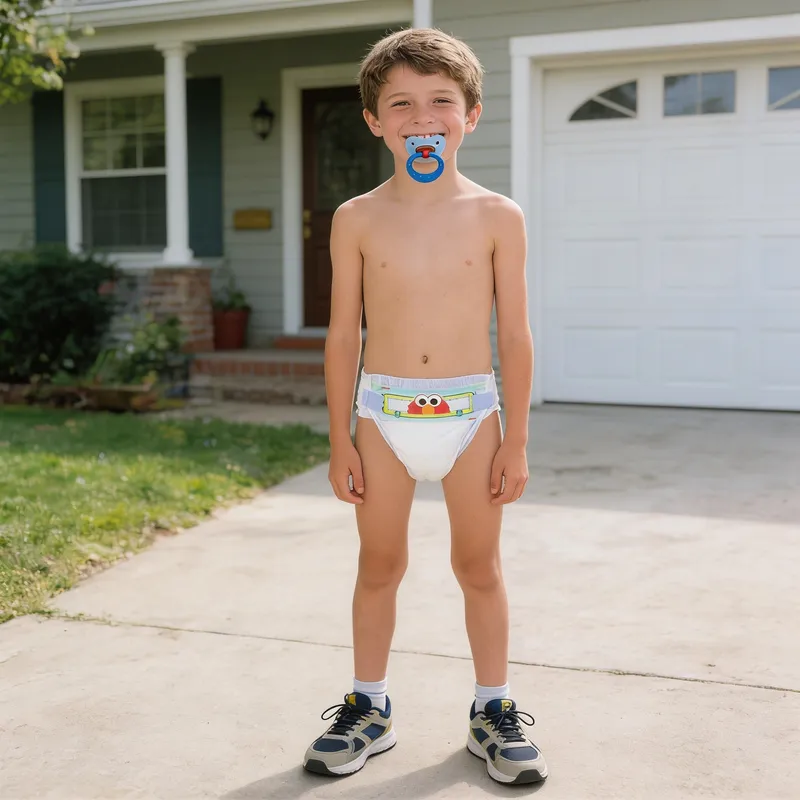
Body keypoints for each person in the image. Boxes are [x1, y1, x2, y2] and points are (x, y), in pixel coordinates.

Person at [302, 27, 548, 786]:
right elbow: (344, 334)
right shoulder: (357, 218)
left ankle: (492, 710)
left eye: (441, 100)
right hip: (383, 416)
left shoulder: (498, 215)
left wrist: (516, 439)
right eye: (400, 103)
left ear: (470, 114)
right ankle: (368, 707)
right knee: (380, 563)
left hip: (473, 416)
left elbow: (515, 334)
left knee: (479, 565)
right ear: (375, 120)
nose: (422, 116)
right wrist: (341, 437)